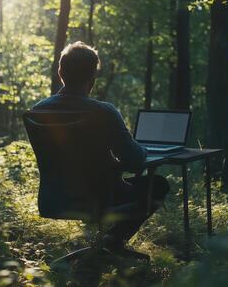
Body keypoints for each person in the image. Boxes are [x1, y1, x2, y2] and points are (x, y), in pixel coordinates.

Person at [32, 41, 169, 259]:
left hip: (55, 197)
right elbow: (133, 161)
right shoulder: (103, 112)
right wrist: (142, 150)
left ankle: (107, 246)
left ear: (60, 72)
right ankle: (113, 242)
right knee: (158, 185)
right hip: (101, 196)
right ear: (92, 78)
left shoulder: (38, 111)